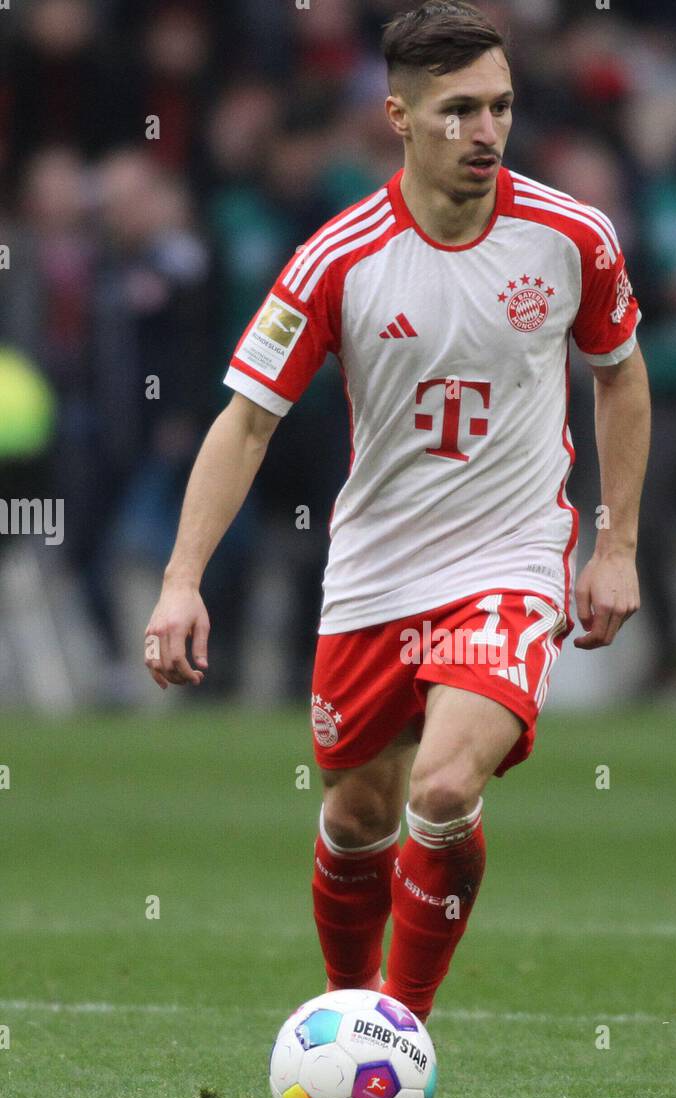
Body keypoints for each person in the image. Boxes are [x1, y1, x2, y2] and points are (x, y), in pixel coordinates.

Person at [144, 1, 650, 1023]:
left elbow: (621, 377)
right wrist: (179, 581)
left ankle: (399, 1026)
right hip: (375, 570)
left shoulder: (572, 238)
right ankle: (346, 1015)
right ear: (400, 117)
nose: (487, 132)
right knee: (355, 814)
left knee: (445, 787)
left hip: (510, 564)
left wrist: (616, 546)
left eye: (501, 107)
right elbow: (245, 424)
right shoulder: (339, 257)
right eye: (460, 110)